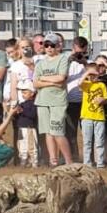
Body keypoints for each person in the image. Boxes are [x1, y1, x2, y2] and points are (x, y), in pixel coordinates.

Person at [34, 33, 73, 167]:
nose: (49, 48)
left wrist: (44, 79)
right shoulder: (40, 63)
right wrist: (50, 81)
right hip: (42, 101)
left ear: (58, 46)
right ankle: (53, 160)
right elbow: (36, 83)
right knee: (48, 132)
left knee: (57, 131)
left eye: (52, 45)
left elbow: (61, 78)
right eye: (46, 45)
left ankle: (69, 162)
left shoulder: (63, 59)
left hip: (57, 101)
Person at [80, 64, 107, 169]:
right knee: (87, 141)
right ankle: (87, 163)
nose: (93, 77)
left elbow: (106, 99)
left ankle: (100, 163)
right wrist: (87, 73)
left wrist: (102, 100)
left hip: (99, 117)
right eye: (90, 74)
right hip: (86, 117)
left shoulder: (102, 85)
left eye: (94, 74)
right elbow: (79, 83)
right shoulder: (85, 84)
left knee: (99, 141)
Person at [13, 80, 39, 168]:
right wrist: (15, 113)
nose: (23, 94)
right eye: (22, 93)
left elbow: (33, 115)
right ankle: (23, 162)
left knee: (31, 145)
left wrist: (22, 111)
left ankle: (34, 162)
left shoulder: (34, 104)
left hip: (29, 128)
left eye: (25, 92)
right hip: (21, 128)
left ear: (32, 93)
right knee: (21, 146)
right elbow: (18, 117)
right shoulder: (22, 104)